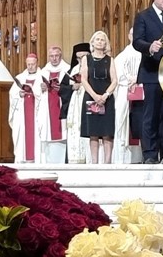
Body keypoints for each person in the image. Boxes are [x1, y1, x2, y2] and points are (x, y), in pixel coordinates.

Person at [130, 0, 163, 163]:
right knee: (151, 114)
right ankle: (149, 154)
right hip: (151, 72)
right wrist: (150, 47)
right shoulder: (143, 16)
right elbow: (137, 41)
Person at [77, 30, 118, 164]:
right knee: (93, 132)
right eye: (98, 39)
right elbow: (84, 79)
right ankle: (94, 163)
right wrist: (95, 96)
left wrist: (105, 95)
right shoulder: (86, 59)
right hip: (91, 96)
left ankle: (107, 163)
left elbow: (114, 80)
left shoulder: (109, 60)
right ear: (93, 43)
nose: (100, 42)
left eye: (103, 40)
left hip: (106, 98)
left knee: (107, 132)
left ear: (106, 43)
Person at [9, 52, 47, 163]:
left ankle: (37, 160)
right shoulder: (20, 77)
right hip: (22, 113)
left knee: (36, 137)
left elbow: (46, 94)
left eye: (33, 64)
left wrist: (37, 92)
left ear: (37, 63)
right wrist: (18, 95)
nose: (30, 66)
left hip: (36, 113)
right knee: (21, 137)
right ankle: (21, 160)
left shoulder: (43, 77)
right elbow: (12, 94)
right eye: (28, 64)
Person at [39, 43, 73, 159]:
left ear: (60, 56)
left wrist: (63, 89)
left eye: (56, 56)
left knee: (63, 134)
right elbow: (36, 91)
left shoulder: (68, 69)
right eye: (51, 56)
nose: (54, 58)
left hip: (62, 105)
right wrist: (42, 88)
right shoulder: (43, 71)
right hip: (48, 107)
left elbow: (73, 87)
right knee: (49, 135)